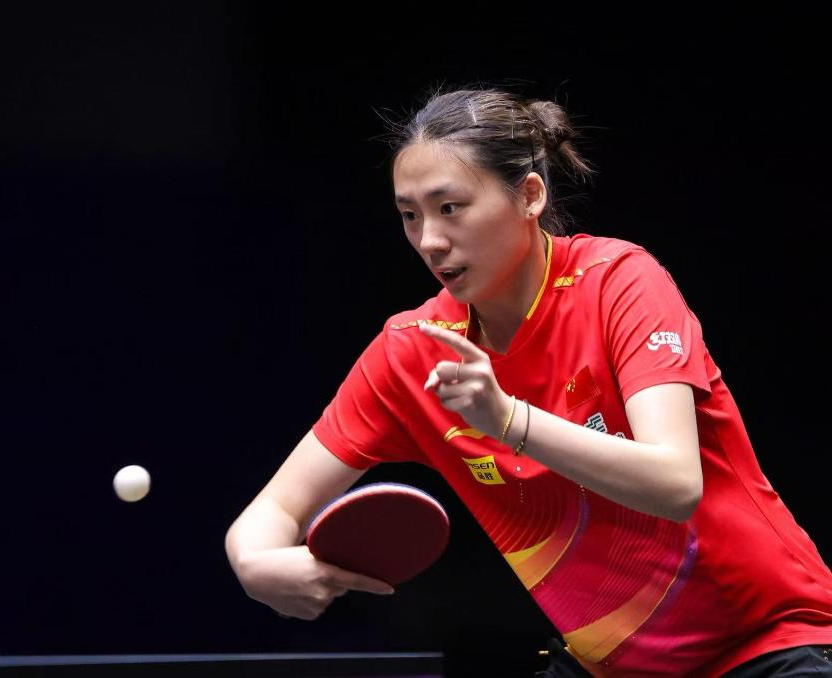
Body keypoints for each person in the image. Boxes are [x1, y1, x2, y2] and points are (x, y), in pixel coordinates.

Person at [224, 87, 832, 676]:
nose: (429, 240)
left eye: (450, 208)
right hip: (611, 665)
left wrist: (508, 420)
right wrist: (254, 563)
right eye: (410, 215)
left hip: (768, 643)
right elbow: (272, 511)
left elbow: (675, 483)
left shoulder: (618, 282)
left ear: (530, 195)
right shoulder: (413, 351)